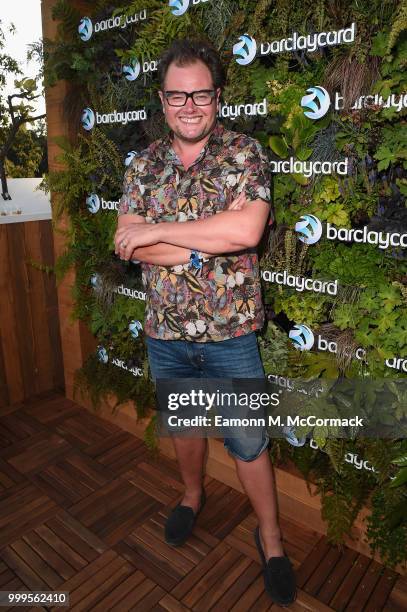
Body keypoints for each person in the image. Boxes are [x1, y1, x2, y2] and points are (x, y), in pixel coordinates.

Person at [114, 39, 296, 605]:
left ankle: (271, 538)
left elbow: (245, 233)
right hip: (166, 333)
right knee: (185, 430)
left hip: (231, 334)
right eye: (176, 95)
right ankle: (192, 496)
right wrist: (190, 248)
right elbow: (130, 244)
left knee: (247, 441)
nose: (188, 106)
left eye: (199, 94)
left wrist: (159, 230)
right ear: (162, 99)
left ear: (216, 97)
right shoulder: (143, 164)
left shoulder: (245, 155)